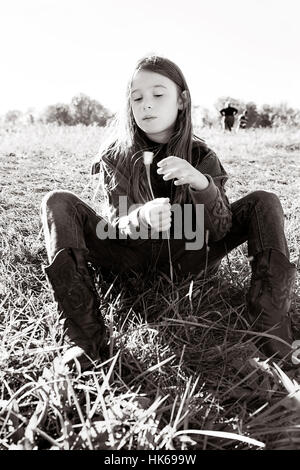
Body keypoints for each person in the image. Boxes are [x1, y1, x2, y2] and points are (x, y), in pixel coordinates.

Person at [40, 55, 297, 370]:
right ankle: (86, 341)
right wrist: (141, 216)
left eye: (158, 94)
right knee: (58, 202)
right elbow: (116, 219)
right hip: (128, 257)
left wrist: (202, 184)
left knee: (264, 201)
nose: (146, 104)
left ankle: (272, 331)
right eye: (137, 98)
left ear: (182, 101)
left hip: (188, 254)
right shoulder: (116, 155)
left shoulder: (202, 156)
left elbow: (219, 229)